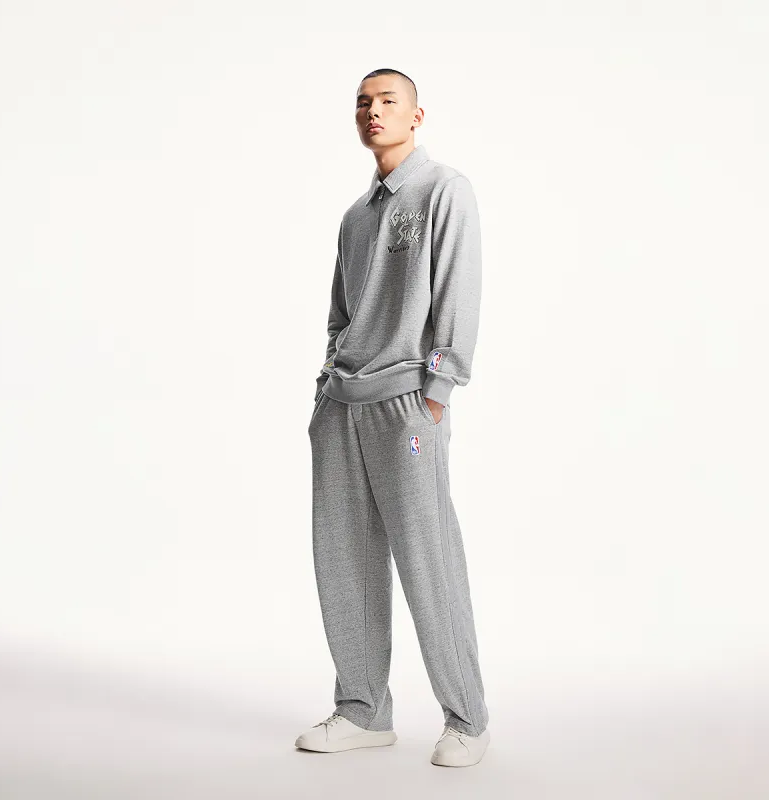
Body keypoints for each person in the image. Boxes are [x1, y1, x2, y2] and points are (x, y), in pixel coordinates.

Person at [296, 68, 489, 768]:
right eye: (363, 103)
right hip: (342, 407)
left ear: (416, 115)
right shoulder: (356, 215)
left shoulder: (444, 190)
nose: (372, 112)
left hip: (409, 406)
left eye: (387, 101)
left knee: (427, 556)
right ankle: (363, 710)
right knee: (343, 557)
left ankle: (467, 719)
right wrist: (328, 380)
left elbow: (458, 293)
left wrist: (438, 390)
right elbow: (340, 312)